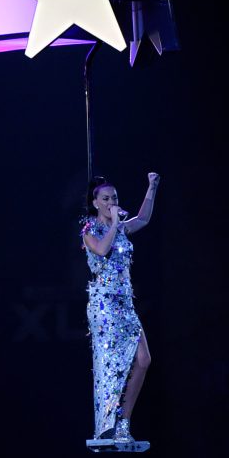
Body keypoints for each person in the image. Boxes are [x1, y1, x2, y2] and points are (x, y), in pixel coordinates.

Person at [81, 172, 160, 442]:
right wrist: (114, 223)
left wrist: (151, 187)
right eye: (106, 199)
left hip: (125, 302)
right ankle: (106, 424)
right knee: (112, 364)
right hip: (104, 305)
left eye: (114, 197)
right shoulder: (89, 231)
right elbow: (102, 250)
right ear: (95, 203)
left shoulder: (122, 227)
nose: (111, 202)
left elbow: (144, 218)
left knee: (143, 359)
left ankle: (124, 423)